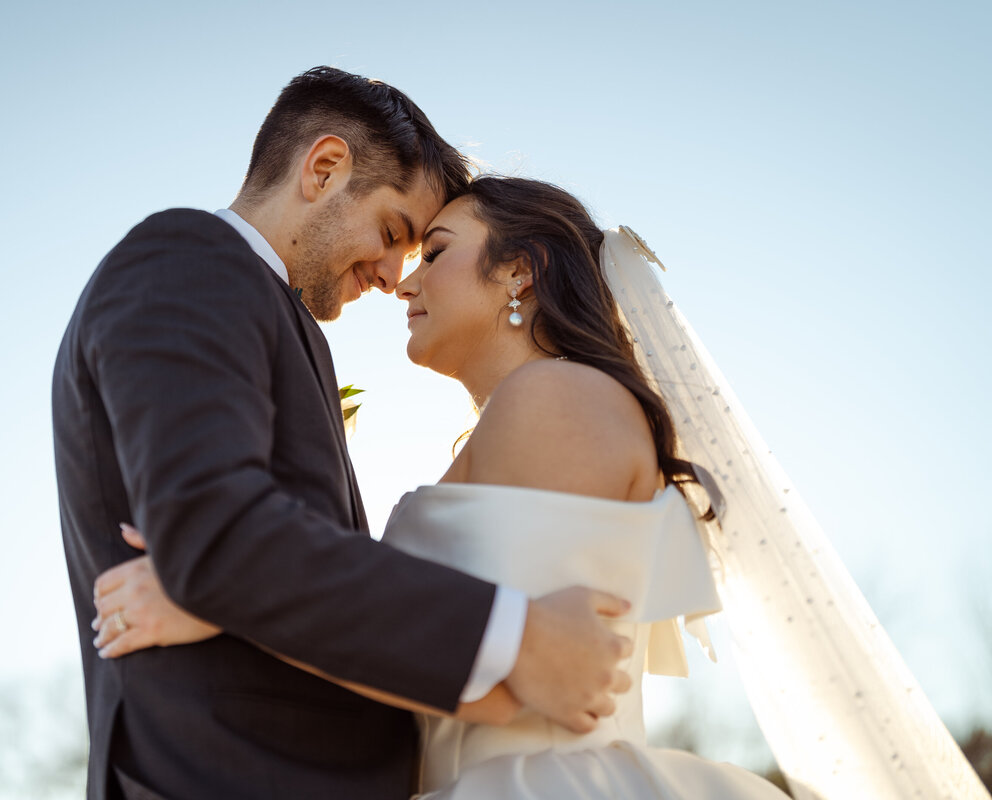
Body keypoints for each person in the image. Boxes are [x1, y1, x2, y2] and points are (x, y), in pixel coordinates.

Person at [93, 176, 991, 799]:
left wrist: (225, 602)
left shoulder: (559, 399)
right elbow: (466, 634)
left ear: (516, 274)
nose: (406, 277)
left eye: (436, 248)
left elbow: (548, 666)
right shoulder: (510, 422)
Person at [53, 69, 636, 800]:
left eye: (421, 251)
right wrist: (520, 638)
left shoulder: (274, 316)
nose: (395, 276)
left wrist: (209, 600)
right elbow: (216, 535)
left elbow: (228, 555)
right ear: (324, 169)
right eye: (394, 233)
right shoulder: (190, 258)